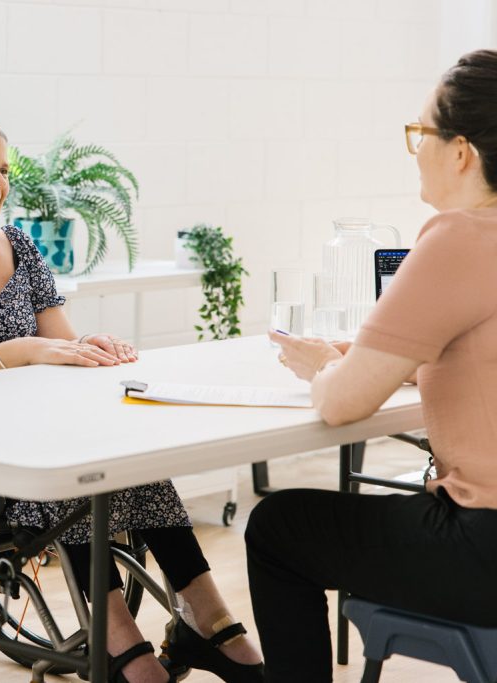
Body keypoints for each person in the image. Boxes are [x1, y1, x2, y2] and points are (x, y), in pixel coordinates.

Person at [0, 116, 263, 683]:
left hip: (31, 427)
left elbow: (59, 342)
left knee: (133, 455)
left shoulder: (18, 246)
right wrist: (22, 349)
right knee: (67, 469)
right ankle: (122, 643)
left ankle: (209, 619)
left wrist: (88, 347)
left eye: (2, 168)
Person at [248, 49, 497, 683]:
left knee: (278, 525)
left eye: (422, 134)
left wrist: (321, 370)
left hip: (485, 549)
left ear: (462, 151)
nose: (416, 149)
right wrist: (388, 363)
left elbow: (340, 405)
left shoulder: (459, 236)